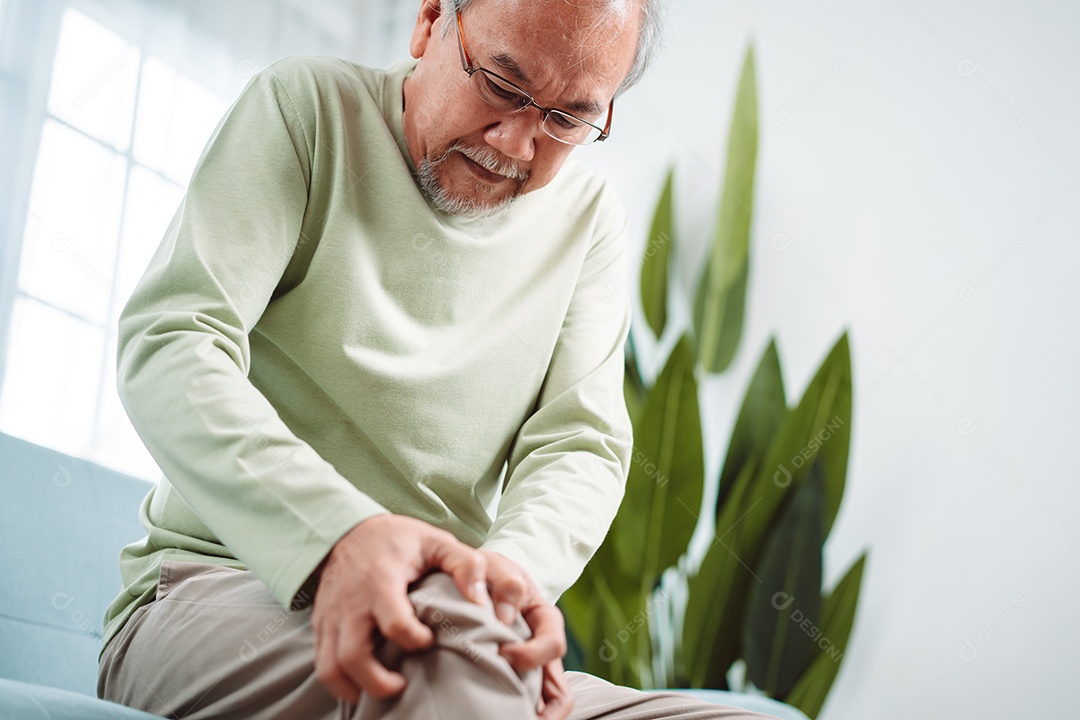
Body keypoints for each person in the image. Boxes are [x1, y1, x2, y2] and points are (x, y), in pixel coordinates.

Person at [97, 0, 779, 718]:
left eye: (567, 120)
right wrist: (341, 540)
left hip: (452, 625)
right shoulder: (307, 108)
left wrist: (496, 586)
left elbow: (581, 442)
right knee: (442, 673)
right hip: (224, 590)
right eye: (502, 86)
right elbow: (173, 341)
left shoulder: (588, 217)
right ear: (430, 21)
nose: (517, 144)